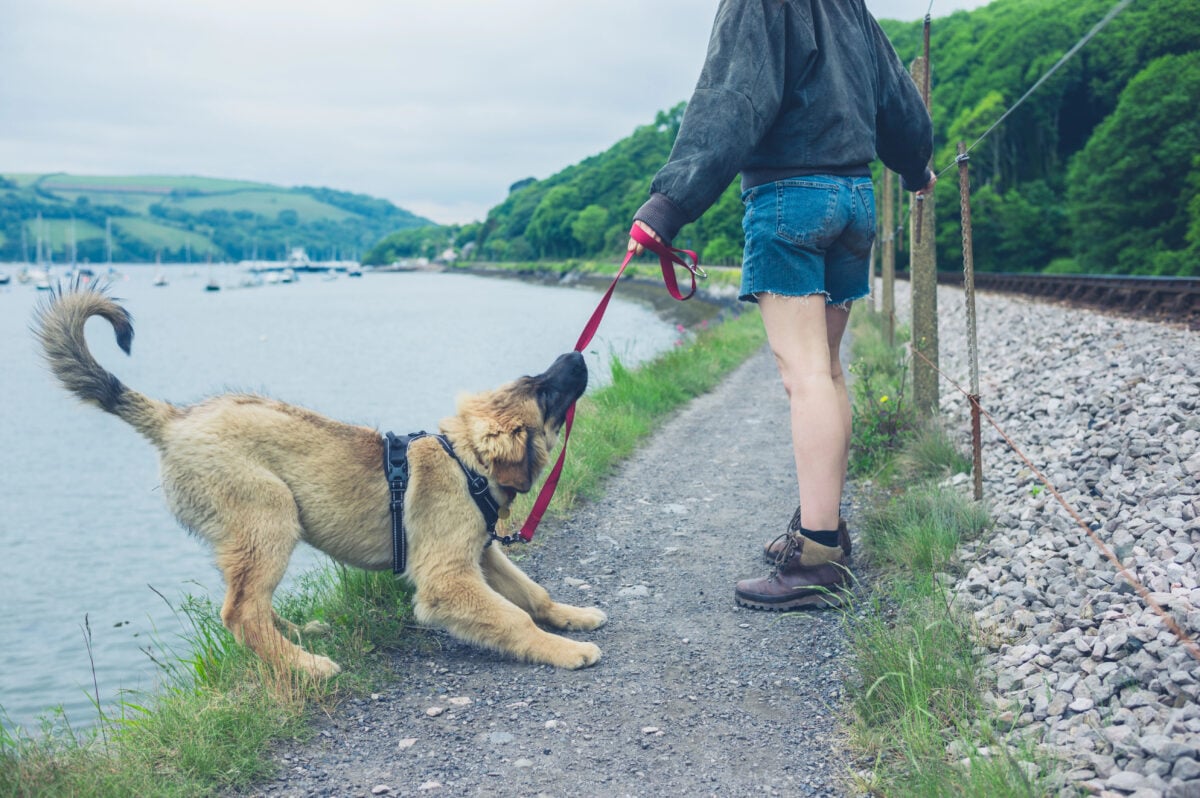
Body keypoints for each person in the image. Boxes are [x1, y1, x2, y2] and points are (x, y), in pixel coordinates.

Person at [629, 0, 936, 611]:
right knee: (827, 368)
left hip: (789, 199)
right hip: (854, 198)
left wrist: (668, 207)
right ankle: (822, 527)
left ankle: (819, 556)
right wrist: (915, 165)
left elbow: (731, 101)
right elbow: (898, 99)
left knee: (805, 376)